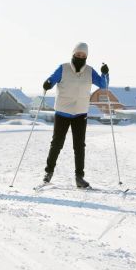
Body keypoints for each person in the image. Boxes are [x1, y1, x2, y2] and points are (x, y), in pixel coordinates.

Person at [42, 42, 109, 188]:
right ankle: (48, 173)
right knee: (57, 144)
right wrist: (47, 83)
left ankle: (79, 177)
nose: (80, 57)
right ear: (73, 54)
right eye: (78, 54)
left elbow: (103, 85)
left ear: (86, 57)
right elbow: (51, 80)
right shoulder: (63, 68)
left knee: (79, 146)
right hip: (62, 111)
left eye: (83, 55)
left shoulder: (90, 71)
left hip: (80, 112)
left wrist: (105, 73)